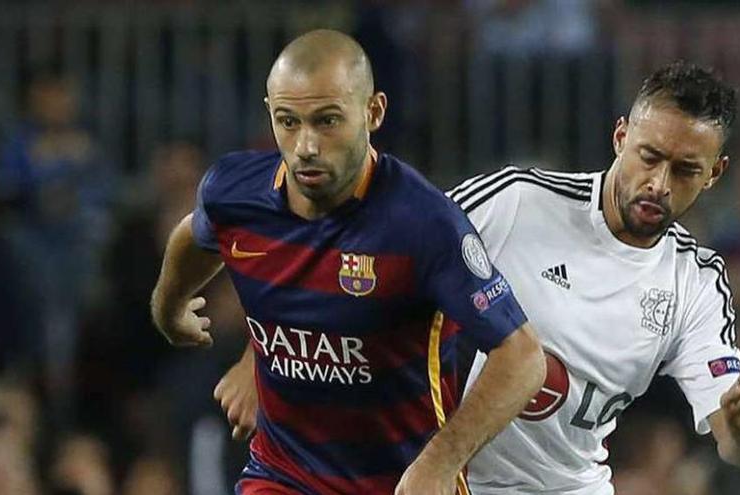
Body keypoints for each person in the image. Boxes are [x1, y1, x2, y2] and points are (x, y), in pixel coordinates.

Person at [150, 29, 545, 495]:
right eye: (288, 122)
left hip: (396, 483)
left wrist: (439, 463)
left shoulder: (423, 224)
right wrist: (170, 306)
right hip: (283, 476)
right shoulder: (233, 193)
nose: (306, 146)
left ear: (373, 112)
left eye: (327, 121)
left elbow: (522, 358)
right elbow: (195, 233)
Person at [446, 60, 740, 494]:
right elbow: (400, 255)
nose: (659, 183)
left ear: (714, 174)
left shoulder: (696, 282)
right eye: (649, 157)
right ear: (620, 137)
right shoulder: (516, 200)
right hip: (447, 473)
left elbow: (735, 440)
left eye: (686, 170)